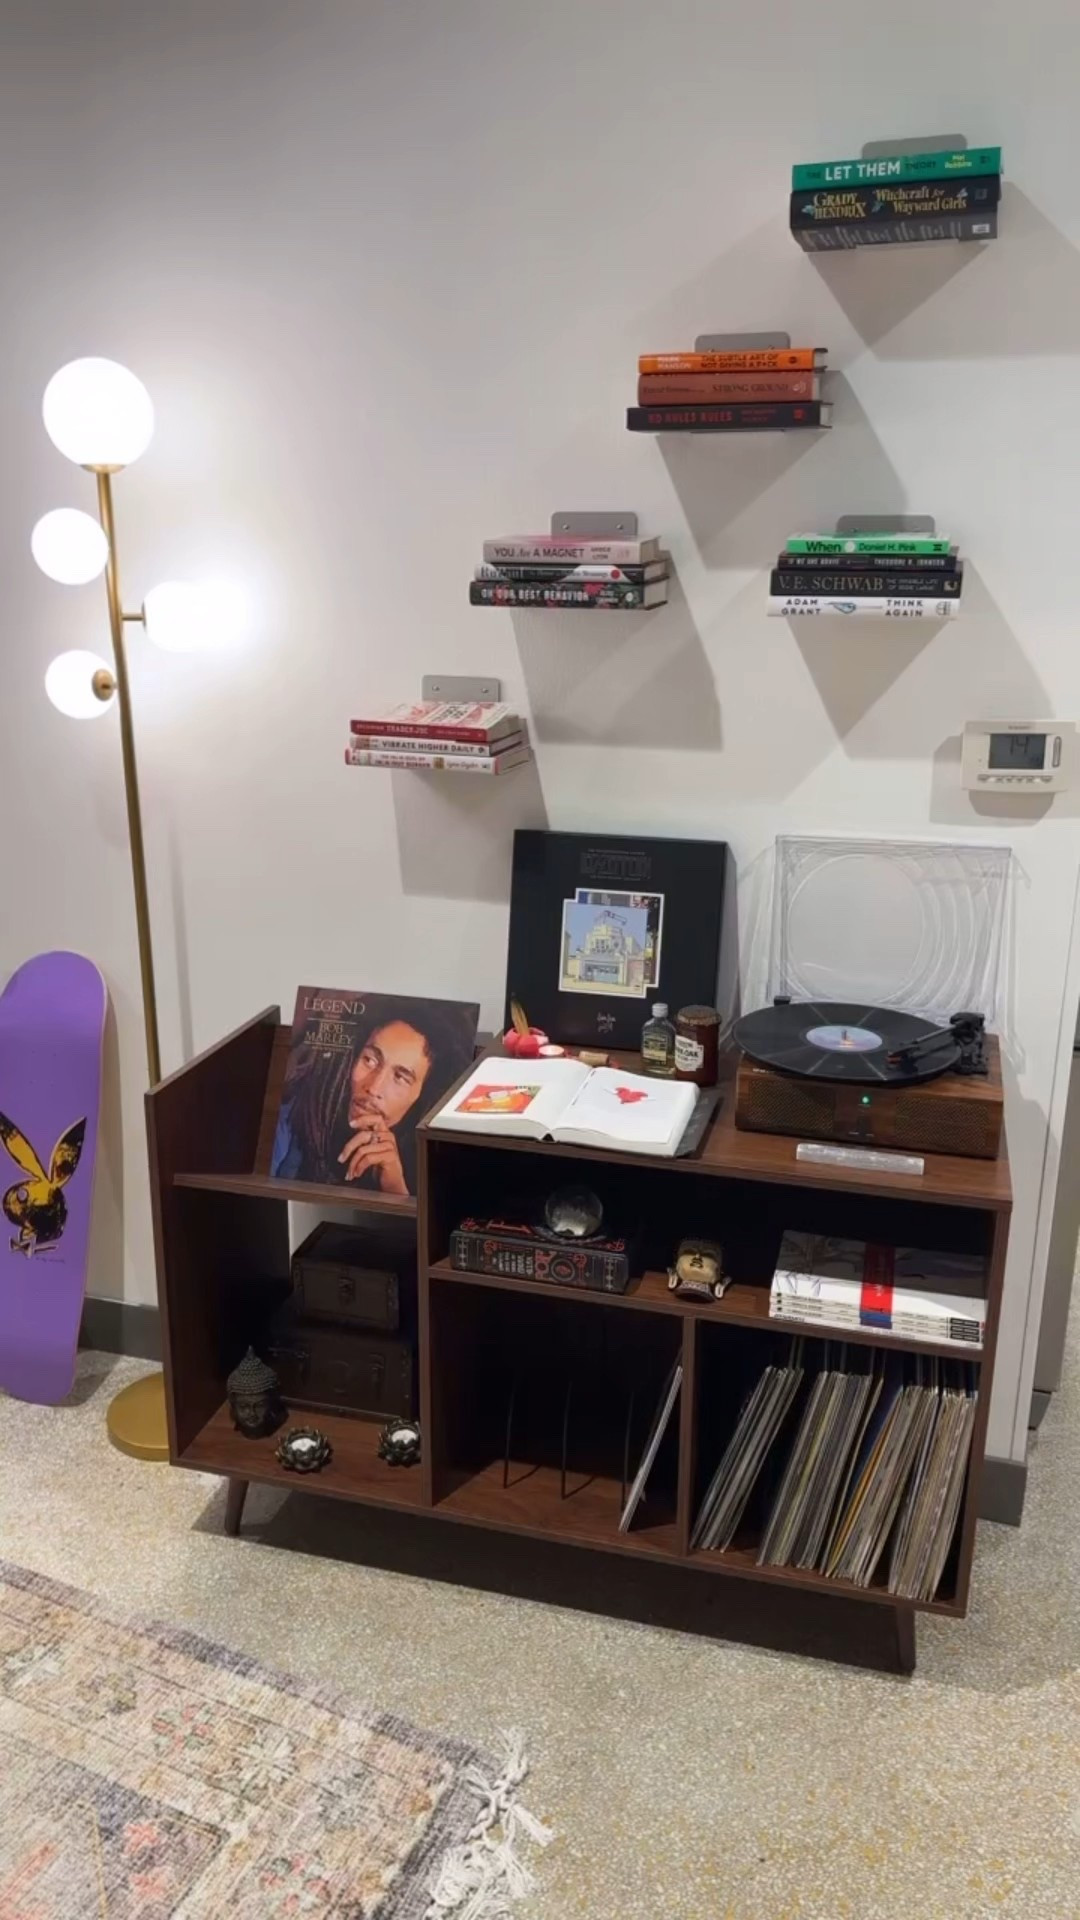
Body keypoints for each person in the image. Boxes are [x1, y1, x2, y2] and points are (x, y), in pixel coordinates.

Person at [271, 999, 475, 1194]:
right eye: (369, 1060)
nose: (374, 1088)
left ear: (420, 1096)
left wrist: (395, 1189)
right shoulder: (288, 1124)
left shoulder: (427, 1162)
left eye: (400, 1078)